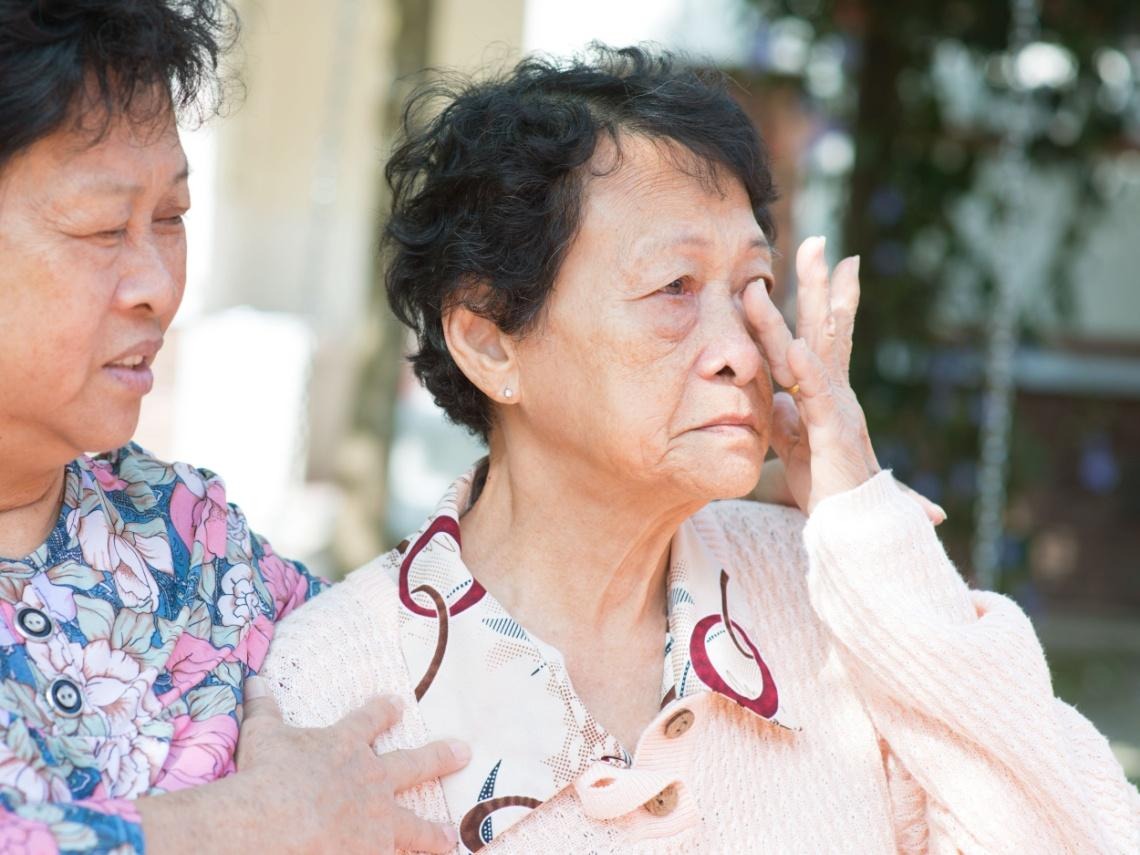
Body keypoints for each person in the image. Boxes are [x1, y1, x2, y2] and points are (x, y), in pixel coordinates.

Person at [262, 46, 1140, 853]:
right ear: (491, 342)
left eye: (755, 286)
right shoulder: (340, 685)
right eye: (675, 287)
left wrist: (867, 524)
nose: (743, 348)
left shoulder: (831, 602)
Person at [0, 1, 470, 852]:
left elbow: (429, 674)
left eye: (171, 219)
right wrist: (243, 824)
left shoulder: (188, 535)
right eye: (104, 228)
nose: (156, 285)